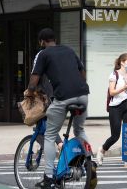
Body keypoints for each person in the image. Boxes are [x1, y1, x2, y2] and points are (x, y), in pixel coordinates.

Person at [27, 28, 90, 189]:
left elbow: (34, 81)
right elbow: (82, 72)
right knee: (79, 129)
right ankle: (89, 164)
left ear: (42, 41)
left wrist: (30, 93)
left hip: (63, 97)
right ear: (54, 39)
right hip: (83, 94)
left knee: (50, 134)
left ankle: (48, 177)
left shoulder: (43, 54)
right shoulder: (69, 50)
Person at [96, 53, 127, 167]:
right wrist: (124, 88)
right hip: (116, 107)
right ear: (122, 62)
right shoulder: (114, 75)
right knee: (115, 136)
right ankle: (102, 149)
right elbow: (112, 92)